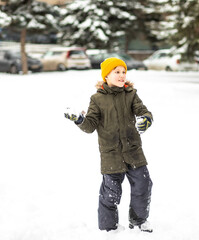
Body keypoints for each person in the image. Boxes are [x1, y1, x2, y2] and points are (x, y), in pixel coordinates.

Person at [64, 57, 153, 233]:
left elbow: (144, 112)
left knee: (143, 185)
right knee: (110, 193)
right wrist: (80, 120)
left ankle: (138, 220)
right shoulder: (97, 99)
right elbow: (90, 126)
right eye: (117, 72)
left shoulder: (131, 94)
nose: (121, 76)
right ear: (106, 76)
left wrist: (146, 120)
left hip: (133, 151)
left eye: (123, 72)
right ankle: (108, 227)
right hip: (111, 154)